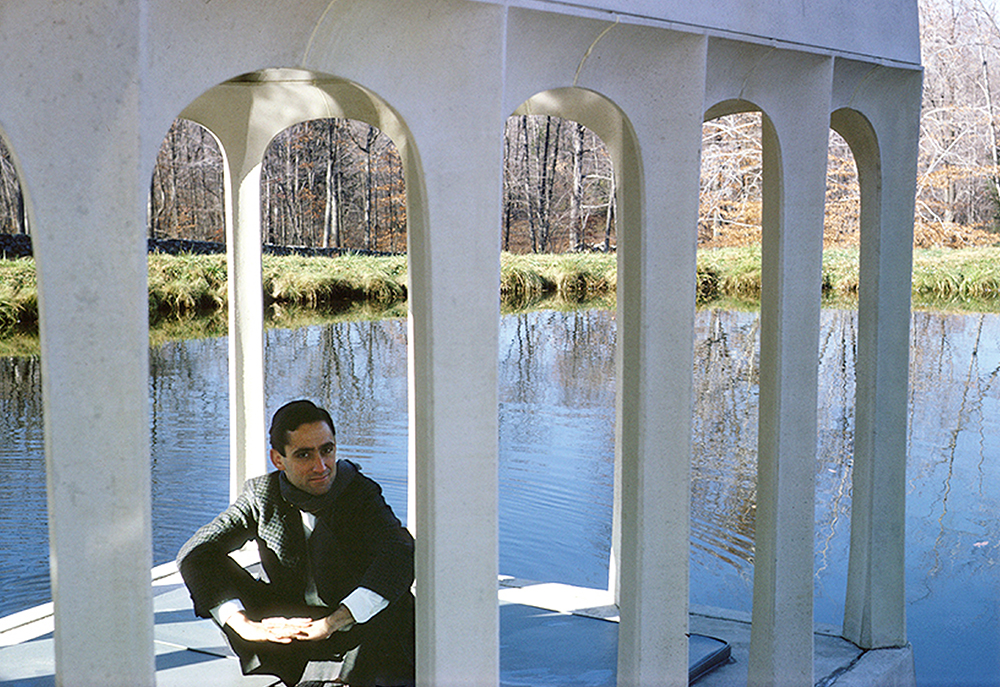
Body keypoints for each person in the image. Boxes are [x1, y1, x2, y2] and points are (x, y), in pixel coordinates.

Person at [177, 400, 415, 687]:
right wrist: (245, 626)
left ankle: (350, 672)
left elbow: (399, 551)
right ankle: (292, 663)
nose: (321, 466)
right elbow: (196, 553)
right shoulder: (262, 496)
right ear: (278, 459)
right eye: (304, 455)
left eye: (327, 450)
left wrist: (335, 621)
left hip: (359, 624)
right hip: (293, 624)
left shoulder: (360, 492)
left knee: (392, 578)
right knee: (204, 556)